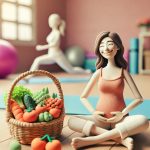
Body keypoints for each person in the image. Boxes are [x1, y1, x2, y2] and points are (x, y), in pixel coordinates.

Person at [68, 31, 149, 150]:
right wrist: (93, 112)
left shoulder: (123, 72)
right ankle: (120, 139)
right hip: (99, 119)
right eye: (101, 45)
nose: (105, 48)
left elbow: (139, 98)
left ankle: (94, 139)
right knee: (71, 121)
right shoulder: (98, 72)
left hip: (121, 120)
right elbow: (83, 97)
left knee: (143, 121)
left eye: (109, 43)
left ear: (117, 47)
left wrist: (122, 113)